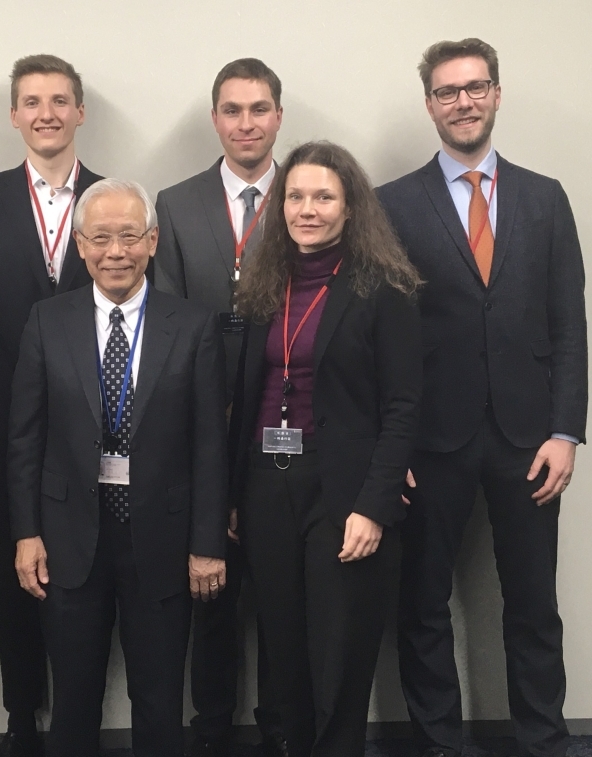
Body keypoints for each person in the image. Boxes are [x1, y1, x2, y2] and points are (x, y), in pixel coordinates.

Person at [377, 38, 587, 757]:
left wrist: (566, 430)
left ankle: (545, 739)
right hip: (430, 439)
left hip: (531, 439)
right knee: (423, 602)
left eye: (474, 87)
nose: (462, 101)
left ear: (496, 93)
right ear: (429, 103)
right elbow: (378, 338)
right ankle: (438, 741)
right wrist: (388, 447)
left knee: (532, 604)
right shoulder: (391, 204)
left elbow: (569, 324)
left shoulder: (544, 197)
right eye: (446, 91)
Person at [8, 178, 229, 757]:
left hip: (162, 536)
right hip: (68, 538)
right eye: (101, 238)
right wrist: (27, 533)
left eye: (129, 236)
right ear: (79, 245)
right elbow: (25, 439)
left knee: (158, 700)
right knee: (74, 699)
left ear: (152, 241)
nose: (116, 252)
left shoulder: (194, 325)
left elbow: (211, 445)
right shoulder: (45, 321)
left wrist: (208, 543)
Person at [229, 141, 423, 757]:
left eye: (323, 197)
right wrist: (235, 495)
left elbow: (403, 407)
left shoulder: (382, 288)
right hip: (266, 483)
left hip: (344, 488)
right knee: (281, 641)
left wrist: (375, 505)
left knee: (339, 648)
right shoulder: (264, 285)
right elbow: (247, 392)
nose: (306, 209)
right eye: (296, 196)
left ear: (349, 207)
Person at [0, 53, 104, 757]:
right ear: (15, 115)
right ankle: (20, 716)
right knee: (11, 573)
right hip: (4, 427)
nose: (47, 112)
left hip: (94, 428)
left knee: (84, 573)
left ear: (80, 112)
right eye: (32, 101)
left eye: (60, 100)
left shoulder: (115, 200)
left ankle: (78, 719)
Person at [153, 57, 285, 757]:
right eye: (232, 110)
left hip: (283, 421)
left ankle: (278, 724)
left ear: (278, 118)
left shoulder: (307, 195)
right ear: (215, 119)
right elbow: (167, 321)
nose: (246, 123)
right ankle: (209, 728)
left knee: (279, 587)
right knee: (210, 588)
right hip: (199, 427)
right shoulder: (175, 203)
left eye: (259, 109)